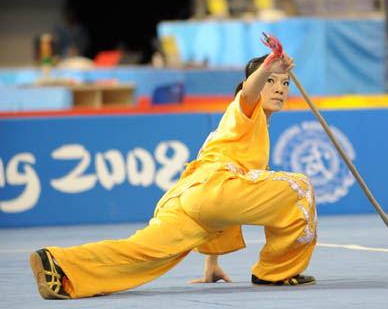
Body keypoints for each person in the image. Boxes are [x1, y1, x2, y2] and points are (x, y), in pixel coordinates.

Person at [29, 50, 317, 299]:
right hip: (212, 188)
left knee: (142, 254)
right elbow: (249, 93)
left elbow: (224, 208)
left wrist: (210, 264)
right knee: (298, 188)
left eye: (285, 83)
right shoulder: (243, 111)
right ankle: (276, 271)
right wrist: (268, 66)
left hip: (188, 199)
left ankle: (62, 266)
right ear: (251, 85)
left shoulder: (240, 135)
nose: (279, 88)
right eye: (271, 81)